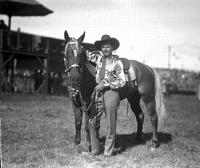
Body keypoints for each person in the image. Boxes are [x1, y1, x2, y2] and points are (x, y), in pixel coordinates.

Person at [89, 35, 126, 156]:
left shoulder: (117, 62)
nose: (105, 49)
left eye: (108, 46)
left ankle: (107, 152)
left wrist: (106, 85)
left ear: (112, 48)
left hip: (111, 92)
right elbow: (84, 53)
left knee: (111, 122)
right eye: (103, 47)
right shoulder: (98, 58)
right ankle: (95, 149)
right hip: (98, 92)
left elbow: (122, 81)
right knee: (92, 120)